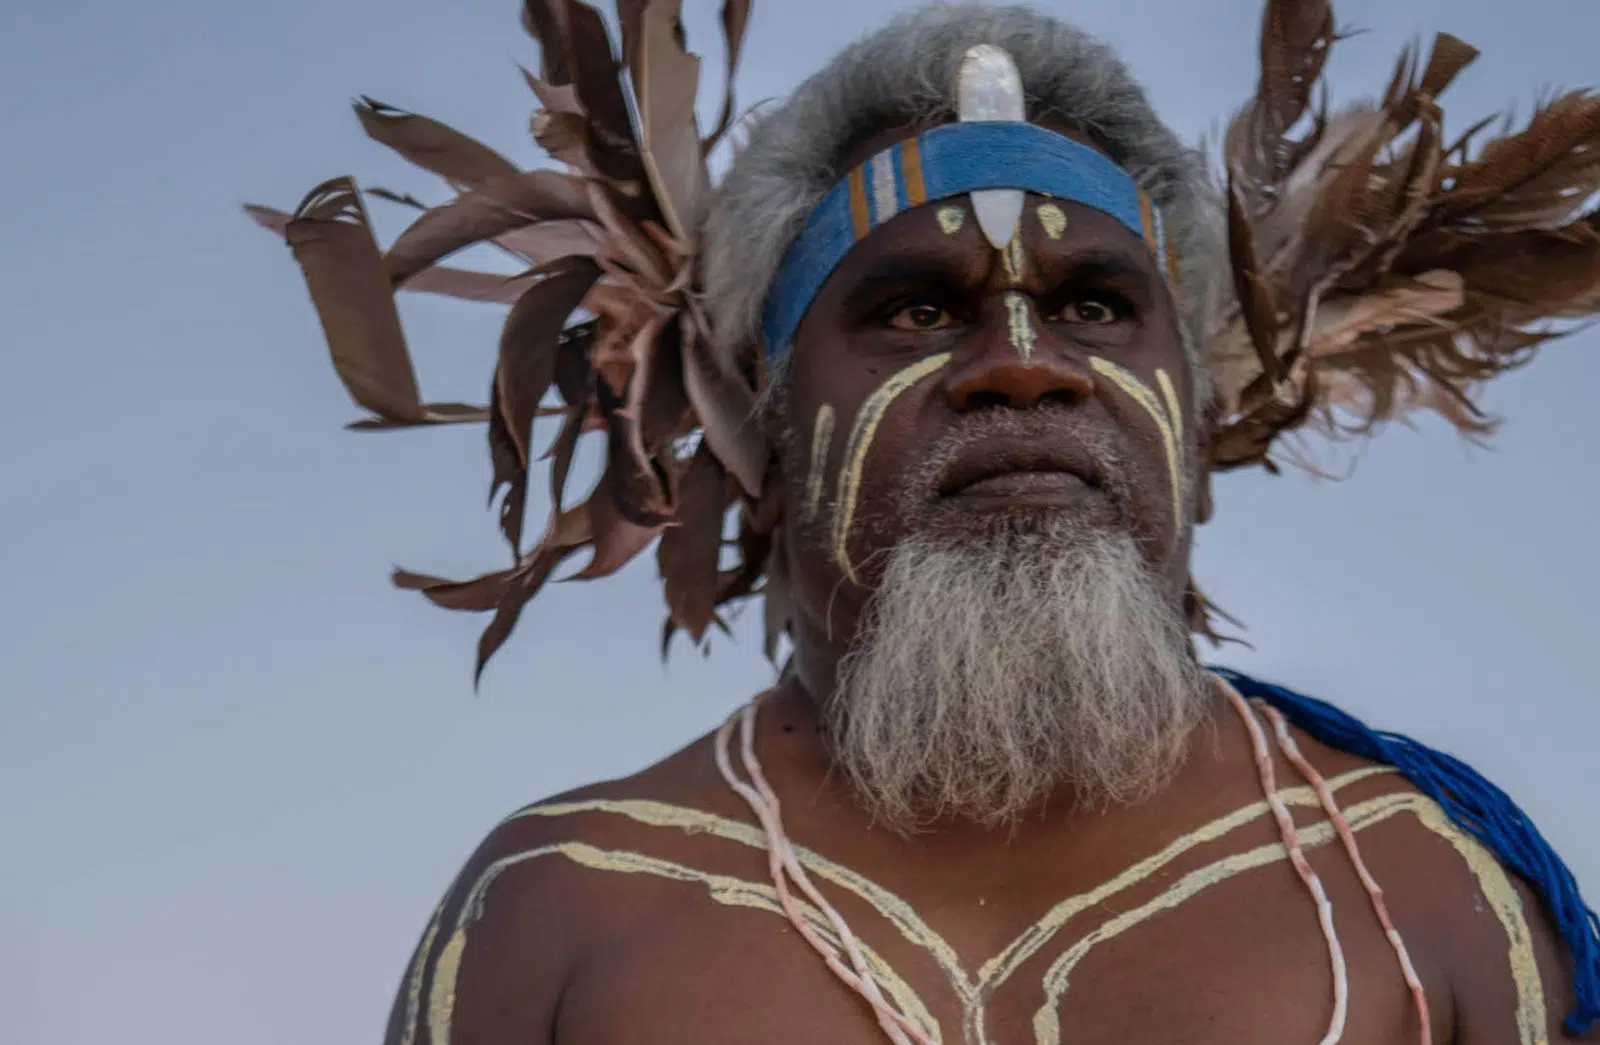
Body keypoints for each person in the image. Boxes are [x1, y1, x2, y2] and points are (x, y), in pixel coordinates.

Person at [251, 2, 1600, 1041]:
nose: (1025, 363)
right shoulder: (563, 905)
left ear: (1190, 423)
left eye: (1092, 305)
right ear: (765, 428)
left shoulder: (1421, 879)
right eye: (912, 309)